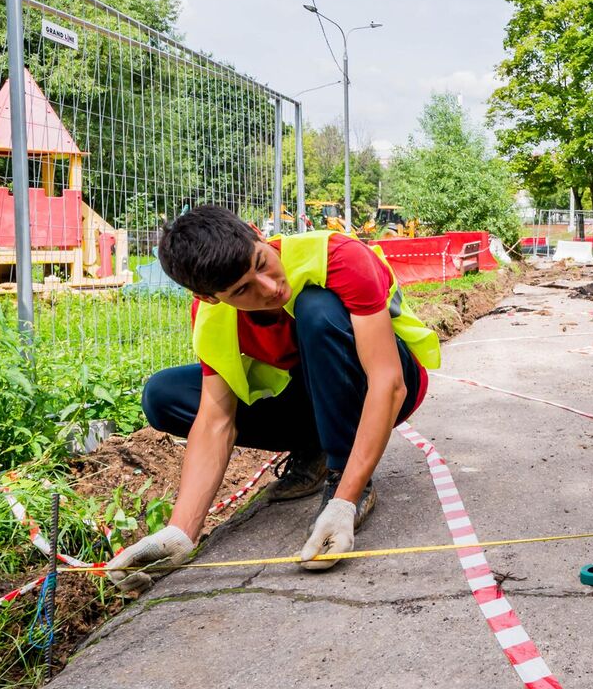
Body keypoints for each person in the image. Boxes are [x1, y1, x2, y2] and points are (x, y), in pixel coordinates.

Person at [105, 207, 443, 595]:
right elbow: (216, 422)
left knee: (317, 309)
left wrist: (345, 501)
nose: (268, 288)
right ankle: (315, 449)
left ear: (256, 234)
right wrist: (180, 533)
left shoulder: (338, 256)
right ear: (209, 298)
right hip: (313, 399)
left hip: (382, 382)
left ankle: (341, 473)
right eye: (242, 291)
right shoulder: (212, 317)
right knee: (164, 395)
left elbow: (388, 382)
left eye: (261, 263)